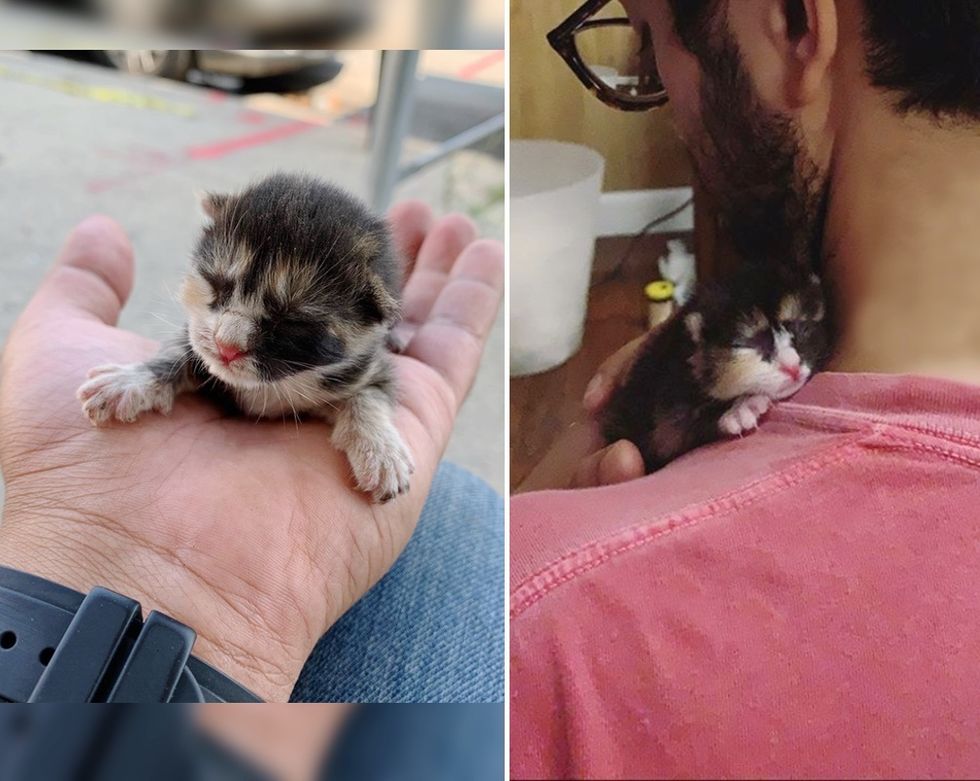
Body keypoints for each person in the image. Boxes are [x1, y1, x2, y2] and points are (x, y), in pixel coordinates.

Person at [511, 0, 980, 777]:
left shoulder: (544, 643)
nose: (665, 103)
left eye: (647, 47)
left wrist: (527, 549)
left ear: (796, 25)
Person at [0, 202, 504, 704]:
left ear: (374, 322)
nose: (228, 338)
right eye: (218, 291)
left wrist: (369, 426)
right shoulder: (221, 337)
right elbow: (192, 357)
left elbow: (368, 387)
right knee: (466, 505)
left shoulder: (351, 364)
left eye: (291, 323)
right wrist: (153, 378)